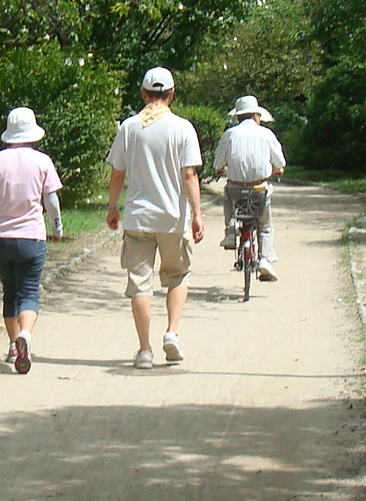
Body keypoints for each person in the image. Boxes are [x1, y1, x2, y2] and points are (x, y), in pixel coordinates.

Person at [105, 66, 204, 368]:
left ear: (143, 94)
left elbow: (117, 173)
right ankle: (172, 333)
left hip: (138, 218)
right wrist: (197, 214)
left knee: (140, 284)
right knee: (178, 276)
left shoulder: (129, 127)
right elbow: (189, 174)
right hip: (173, 218)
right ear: (172, 93)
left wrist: (112, 208)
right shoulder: (183, 128)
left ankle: (145, 350)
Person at [0, 107, 65, 374]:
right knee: (29, 292)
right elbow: (51, 200)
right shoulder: (43, 161)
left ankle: (13, 345)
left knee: (10, 292)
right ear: (32, 132)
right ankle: (26, 337)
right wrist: (57, 226)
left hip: (0, 238)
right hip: (32, 237)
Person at [213, 94, 286, 281]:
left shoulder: (229, 134)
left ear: (238, 116)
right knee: (265, 225)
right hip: (259, 189)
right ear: (256, 116)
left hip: (235, 189)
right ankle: (264, 260)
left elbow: (217, 164)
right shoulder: (266, 134)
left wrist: (224, 168)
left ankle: (230, 231)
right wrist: (277, 170)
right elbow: (280, 162)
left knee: (228, 194)